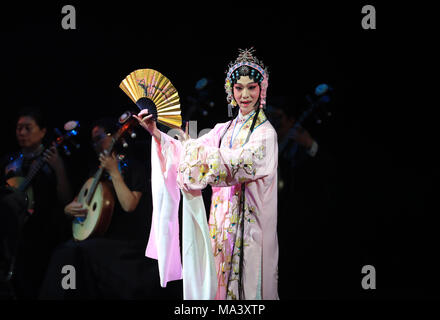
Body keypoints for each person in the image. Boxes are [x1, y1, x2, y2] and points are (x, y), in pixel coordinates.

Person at [134, 48, 279, 300]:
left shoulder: (266, 134)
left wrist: (199, 160)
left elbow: (235, 165)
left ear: (261, 90)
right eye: (239, 88)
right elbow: (189, 149)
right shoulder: (223, 130)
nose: (245, 95)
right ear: (230, 91)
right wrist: (156, 133)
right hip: (220, 231)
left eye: (252, 87)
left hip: (251, 234)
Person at [39, 118, 180, 299]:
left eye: (100, 137)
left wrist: (114, 172)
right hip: (99, 241)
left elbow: (129, 205)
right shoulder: (95, 172)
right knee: (64, 252)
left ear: (114, 136)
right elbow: (79, 202)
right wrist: (69, 209)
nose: (96, 144)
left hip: (125, 244)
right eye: (93, 141)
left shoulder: (132, 167)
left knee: (74, 252)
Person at [0, 107, 73, 299]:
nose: (22, 133)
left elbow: (65, 199)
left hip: (43, 234)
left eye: (28, 128)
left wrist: (58, 168)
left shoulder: (53, 159)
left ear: (42, 132)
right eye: (19, 128)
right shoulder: (9, 161)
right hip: (13, 235)